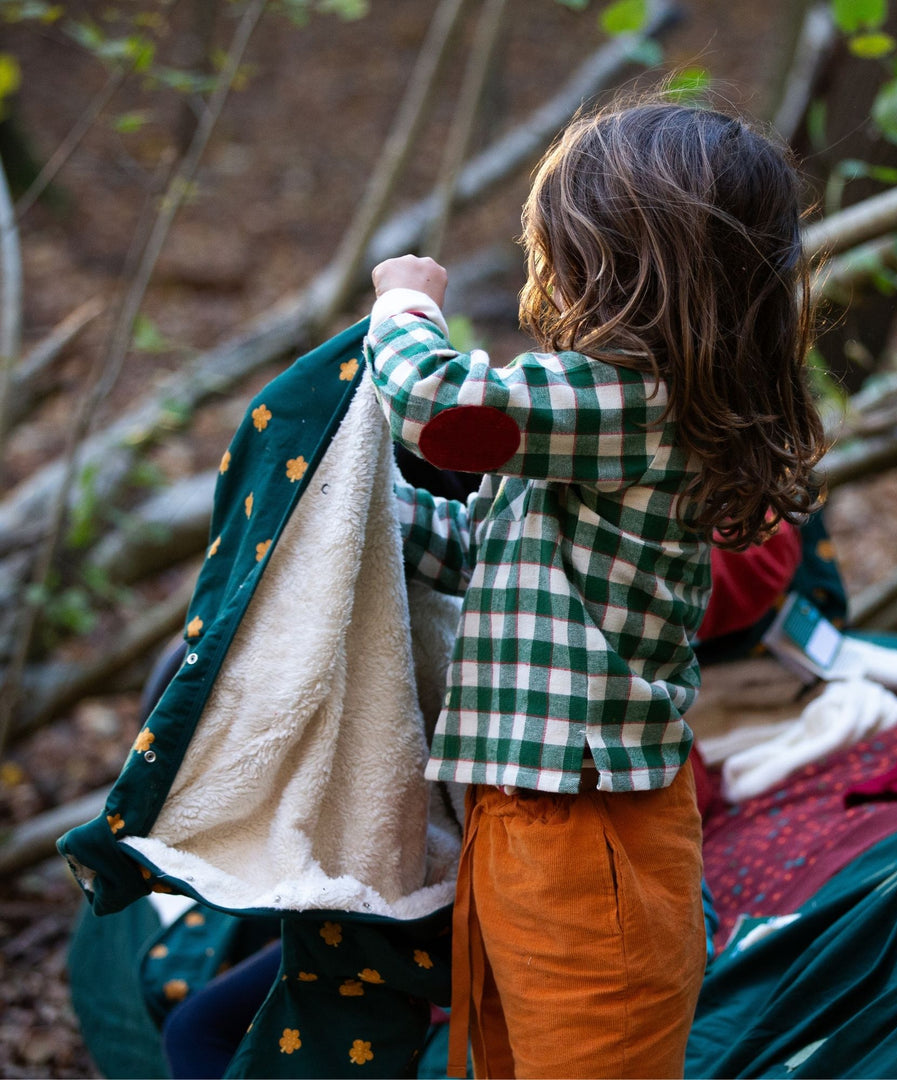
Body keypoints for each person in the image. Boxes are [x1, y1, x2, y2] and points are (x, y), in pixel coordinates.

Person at [363, 95, 825, 1079]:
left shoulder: (631, 399)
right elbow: (479, 558)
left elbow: (440, 409)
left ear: (618, 259)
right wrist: (362, 517)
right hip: (524, 814)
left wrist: (403, 303)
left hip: (587, 829)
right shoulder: (603, 424)